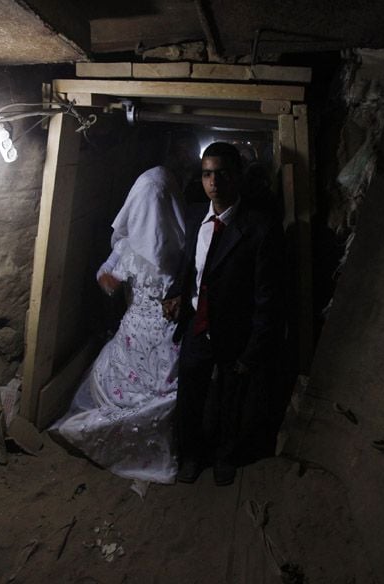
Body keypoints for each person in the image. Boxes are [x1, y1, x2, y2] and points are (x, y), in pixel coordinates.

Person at [50, 129, 201, 490]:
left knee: (162, 379)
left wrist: (125, 282)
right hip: (148, 326)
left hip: (155, 325)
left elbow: (111, 277)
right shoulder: (170, 221)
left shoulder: (159, 220)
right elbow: (113, 277)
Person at [162, 141, 285, 487]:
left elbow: (266, 295)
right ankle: (191, 456)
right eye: (206, 174)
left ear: (238, 177)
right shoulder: (194, 217)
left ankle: (225, 457)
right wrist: (175, 294)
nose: (213, 182)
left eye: (221, 174)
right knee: (191, 396)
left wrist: (255, 347)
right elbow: (189, 269)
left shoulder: (259, 227)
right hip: (197, 326)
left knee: (231, 398)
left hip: (235, 330)